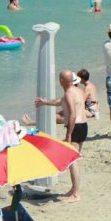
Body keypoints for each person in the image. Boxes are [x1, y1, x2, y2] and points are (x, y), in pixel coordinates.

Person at [35, 69, 86, 202]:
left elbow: (73, 114)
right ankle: (73, 190)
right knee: (73, 159)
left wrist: (69, 133)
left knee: (72, 161)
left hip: (76, 127)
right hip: (83, 126)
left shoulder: (69, 93)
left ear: (62, 81)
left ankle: (76, 194)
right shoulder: (77, 90)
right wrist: (45, 102)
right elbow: (60, 102)